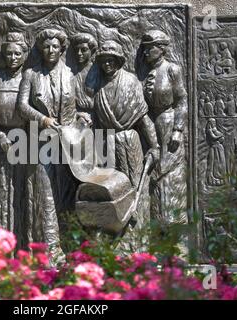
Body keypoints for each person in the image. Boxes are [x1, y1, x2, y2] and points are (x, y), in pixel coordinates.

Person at [17, 29, 80, 262]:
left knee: (65, 194)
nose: (51, 51)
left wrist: (81, 119)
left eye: (55, 47)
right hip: (41, 142)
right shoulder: (31, 75)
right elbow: (22, 107)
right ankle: (50, 250)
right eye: (46, 47)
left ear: (61, 49)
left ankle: (71, 248)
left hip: (67, 144)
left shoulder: (70, 74)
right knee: (45, 196)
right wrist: (43, 120)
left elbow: (75, 106)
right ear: (41, 49)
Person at [93, 40, 159, 246]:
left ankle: (136, 241)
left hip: (129, 141)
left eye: (111, 60)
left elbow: (143, 118)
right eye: (104, 61)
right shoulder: (99, 86)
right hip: (106, 143)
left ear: (119, 61)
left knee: (133, 186)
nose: (107, 65)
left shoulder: (130, 81)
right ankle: (111, 239)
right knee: (110, 190)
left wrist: (154, 145)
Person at [141, 30, 188, 226]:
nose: (145, 53)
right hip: (151, 125)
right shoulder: (146, 73)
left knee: (170, 172)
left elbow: (182, 100)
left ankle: (174, 223)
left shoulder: (172, 69)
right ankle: (158, 222)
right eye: (144, 49)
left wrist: (178, 129)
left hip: (169, 125)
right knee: (155, 173)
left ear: (161, 49)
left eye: (149, 48)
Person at [0, 32, 27, 237]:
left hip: (23, 142)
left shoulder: (28, 78)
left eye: (17, 54)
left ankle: (21, 243)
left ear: (24, 55)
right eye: (9, 54)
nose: (13, 58)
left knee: (20, 193)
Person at [71, 33, 98, 124]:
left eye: (84, 50)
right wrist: (77, 114)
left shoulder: (99, 72)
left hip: (100, 119)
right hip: (78, 118)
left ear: (92, 51)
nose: (79, 53)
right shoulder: (70, 73)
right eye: (76, 50)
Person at [205, 118, 226, 186]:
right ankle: (213, 180)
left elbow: (220, 136)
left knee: (221, 162)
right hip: (214, 149)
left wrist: (221, 137)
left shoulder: (215, 129)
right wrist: (221, 136)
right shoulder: (209, 130)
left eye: (214, 122)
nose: (214, 124)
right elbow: (213, 137)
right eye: (213, 123)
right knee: (214, 164)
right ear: (210, 123)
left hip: (219, 148)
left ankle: (221, 179)